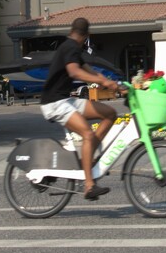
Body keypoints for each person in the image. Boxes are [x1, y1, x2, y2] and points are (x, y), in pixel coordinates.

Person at [40, 17, 120, 200]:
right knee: (88, 134)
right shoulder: (69, 47)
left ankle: (88, 158)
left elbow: (90, 71)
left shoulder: (74, 48)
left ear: (72, 30)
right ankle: (89, 186)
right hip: (54, 103)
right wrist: (101, 81)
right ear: (87, 35)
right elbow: (74, 72)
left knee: (110, 113)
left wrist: (113, 83)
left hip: (66, 100)